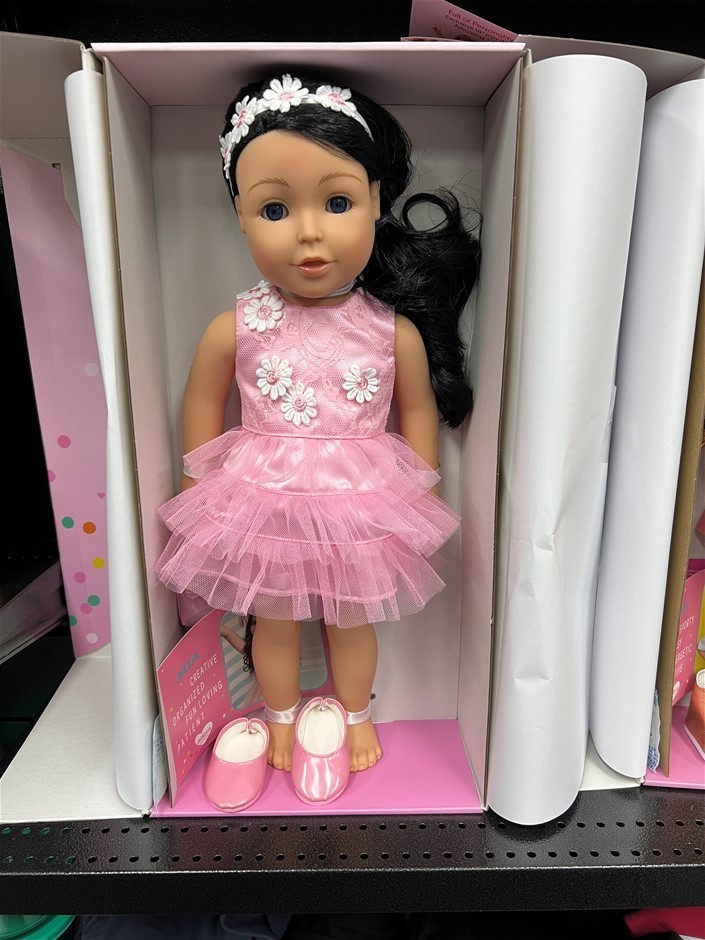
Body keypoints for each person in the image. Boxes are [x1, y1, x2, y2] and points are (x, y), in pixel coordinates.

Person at [156, 72, 479, 775]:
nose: (309, 232)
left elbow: (416, 408)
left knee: (350, 620)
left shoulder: (390, 331)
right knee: (274, 621)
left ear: (375, 202)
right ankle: (279, 716)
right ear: (240, 216)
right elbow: (202, 401)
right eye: (274, 209)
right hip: (264, 496)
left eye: (337, 203)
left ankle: (352, 714)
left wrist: (421, 486)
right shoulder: (236, 325)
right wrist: (196, 480)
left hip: (357, 497)